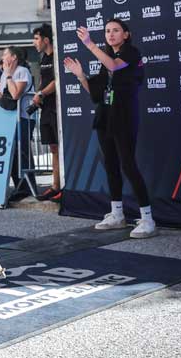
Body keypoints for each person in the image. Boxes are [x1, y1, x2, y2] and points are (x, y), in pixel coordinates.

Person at [64, 18, 156, 238]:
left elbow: (115, 66)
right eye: (107, 31)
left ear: (126, 34)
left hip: (124, 116)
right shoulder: (106, 60)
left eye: (116, 30)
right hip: (105, 117)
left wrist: (89, 44)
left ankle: (148, 218)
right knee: (111, 165)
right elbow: (95, 94)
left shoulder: (131, 53)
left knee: (128, 165)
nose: (111, 34)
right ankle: (117, 214)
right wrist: (80, 75)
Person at [0, 46, 36, 199]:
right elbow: (7, 99)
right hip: (10, 118)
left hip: (24, 117)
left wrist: (9, 76)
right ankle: (19, 185)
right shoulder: (5, 73)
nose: (2, 58)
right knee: (13, 152)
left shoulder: (22, 71)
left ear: (14, 57)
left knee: (22, 151)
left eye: (5, 55)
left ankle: (28, 187)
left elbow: (16, 94)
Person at [32, 24, 61, 201]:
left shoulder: (56, 56)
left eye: (36, 39)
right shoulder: (43, 58)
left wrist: (41, 93)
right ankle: (55, 186)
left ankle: (61, 186)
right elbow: (44, 81)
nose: (34, 43)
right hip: (46, 108)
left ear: (46, 40)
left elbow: (57, 80)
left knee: (59, 147)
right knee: (52, 147)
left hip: (56, 108)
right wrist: (39, 94)